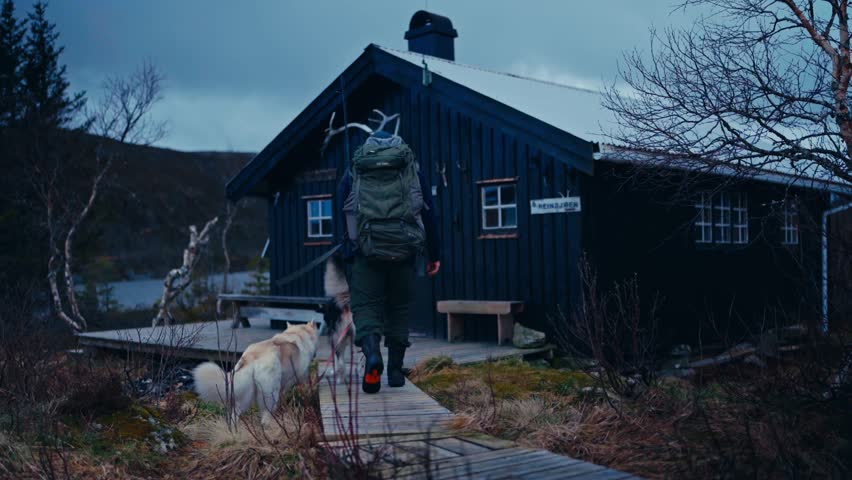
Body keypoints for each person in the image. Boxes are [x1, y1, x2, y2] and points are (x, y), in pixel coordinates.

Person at [337, 130, 441, 393]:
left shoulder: (354, 172)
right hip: (404, 253)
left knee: (366, 308)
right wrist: (435, 254)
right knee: (399, 309)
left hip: (365, 254)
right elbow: (429, 215)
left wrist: (346, 254)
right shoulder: (412, 172)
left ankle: (372, 355)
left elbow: (342, 215)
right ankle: (395, 371)